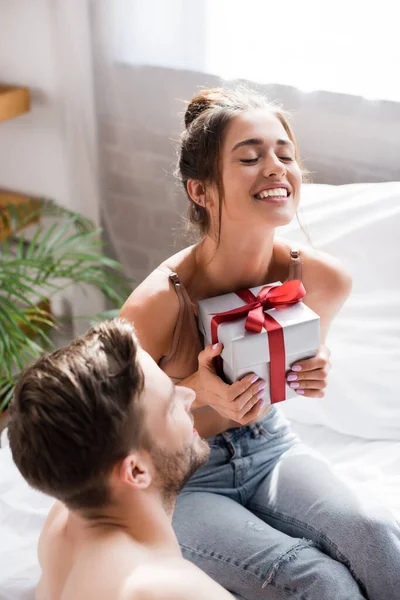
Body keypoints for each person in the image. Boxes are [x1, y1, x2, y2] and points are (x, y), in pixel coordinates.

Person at [120, 87, 400, 600]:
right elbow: (115, 427)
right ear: (201, 191)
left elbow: (293, 366)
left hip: (270, 447)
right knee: (317, 579)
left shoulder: (321, 278)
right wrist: (197, 391)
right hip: (180, 479)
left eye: (285, 154)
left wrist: (313, 368)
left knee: (379, 535)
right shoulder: (156, 305)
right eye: (250, 157)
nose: (275, 167)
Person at [7, 319, 234, 600]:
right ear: (136, 471)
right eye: (169, 406)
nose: (189, 395)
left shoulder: (64, 522)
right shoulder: (164, 587)